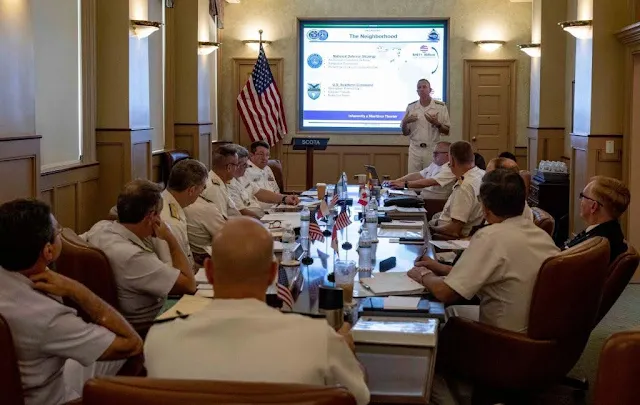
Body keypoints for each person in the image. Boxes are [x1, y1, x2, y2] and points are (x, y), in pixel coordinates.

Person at [144, 217, 370, 405]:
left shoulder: (160, 337)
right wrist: (347, 351)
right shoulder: (318, 338)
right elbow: (359, 397)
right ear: (273, 273)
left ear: (209, 272)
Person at [408, 170, 560, 405]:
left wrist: (424, 274)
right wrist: (438, 267)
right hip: (536, 335)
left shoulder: (491, 236)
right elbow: (490, 274)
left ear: (485, 207)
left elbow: (445, 293)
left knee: (426, 352)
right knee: (449, 318)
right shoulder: (540, 235)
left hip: (506, 342)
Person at [0, 199, 142, 405]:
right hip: (50, 398)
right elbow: (132, 344)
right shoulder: (48, 317)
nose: (62, 232)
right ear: (48, 251)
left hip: (25, 379)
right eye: (58, 231)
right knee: (131, 354)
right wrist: (77, 290)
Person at [84, 180, 196, 329]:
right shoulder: (134, 257)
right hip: (148, 324)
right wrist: (170, 238)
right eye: (158, 214)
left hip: (109, 319)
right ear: (151, 217)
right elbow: (189, 285)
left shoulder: (99, 228)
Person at [156, 159, 208, 269]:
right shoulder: (172, 222)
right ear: (191, 190)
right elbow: (174, 269)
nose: (202, 192)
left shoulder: (167, 201)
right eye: (202, 188)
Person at [566, 176, 630, 263]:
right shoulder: (613, 232)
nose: (581, 201)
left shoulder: (596, 245)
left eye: (582, 196)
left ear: (593, 206)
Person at [429, 141, 485, 238]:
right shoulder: (483, 175)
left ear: (452, 161)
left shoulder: (465, 186)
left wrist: (428, 229)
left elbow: (453, 230)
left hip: (449, 238)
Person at [229, 145, 299, 218]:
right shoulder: (228, 184)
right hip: (253, 220)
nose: (247, 166)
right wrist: (263, 221)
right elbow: (242, 212)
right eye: (244, 164)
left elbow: (259, 192)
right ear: (234, 165)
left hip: (263, 215)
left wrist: (284, 198)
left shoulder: (241, 177)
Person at [400, 79, 451, 173]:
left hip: (432, 149)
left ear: (430, 89)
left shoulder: (440, 106)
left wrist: (437, 123)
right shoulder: (411, 107)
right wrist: (405, 122)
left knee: (430, 180)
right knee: (413, 180)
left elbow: (447, 131)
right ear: (417, 91)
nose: (422, 89)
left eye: (424, 87)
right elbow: (405, 133)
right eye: (419, 87)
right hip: (415, 149)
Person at [388, 141, 456, 200]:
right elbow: (419, 175)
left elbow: (429, 182)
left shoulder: (450, 169)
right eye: (433, 153)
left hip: (434, 203)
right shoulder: (435, 164)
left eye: (436, 153)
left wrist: (405, 184)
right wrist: (397, 181)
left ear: (448, 155)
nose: (433, 155)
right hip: (422, 197)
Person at [201, 144, 240, 218]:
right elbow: (222, 223)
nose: (237, 168)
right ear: (229, 168)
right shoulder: (214, 189)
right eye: (237, 165)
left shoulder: (220, 182)